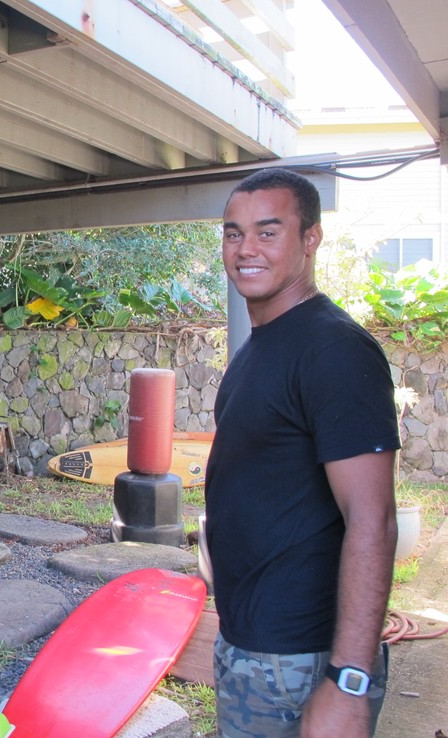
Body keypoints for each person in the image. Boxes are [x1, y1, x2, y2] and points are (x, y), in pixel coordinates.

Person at [204, 168, 401, 738]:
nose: (246, 250)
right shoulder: (261, 345)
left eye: (268, 232)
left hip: (301, 659)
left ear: (310, 238)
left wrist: (348, 679)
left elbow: (374, 520)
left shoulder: (333, 350)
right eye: (233, 233)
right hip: (253, 645)